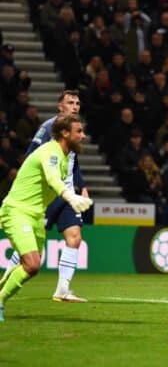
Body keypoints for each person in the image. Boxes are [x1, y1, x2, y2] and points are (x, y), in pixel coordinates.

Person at [0, 115, 93, 321]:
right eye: (79, 131)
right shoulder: (50, 152)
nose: (83, 136)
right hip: (17, 211)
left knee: (31, 267)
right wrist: (70, 197)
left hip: (35, 215)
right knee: (32, 264)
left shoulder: (64, 156)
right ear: (64, 133)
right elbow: (52, 178)